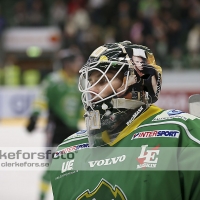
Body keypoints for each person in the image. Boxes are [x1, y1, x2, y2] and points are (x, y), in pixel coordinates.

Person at [50, 41, 200, 200]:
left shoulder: (180, 131)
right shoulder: (68, 149)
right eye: (91, 81)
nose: (91, 90)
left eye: (102, 80)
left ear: (140, 81)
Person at [26, 47, 84, 200]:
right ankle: (41, 197)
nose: (78, 64)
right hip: (56, 129)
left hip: (73, 131)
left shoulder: (78, 84)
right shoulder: (53, 80)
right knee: (53, 167)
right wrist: (34, 116)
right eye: (75, 61)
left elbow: (82, 108)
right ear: (66, 63)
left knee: (75, 167)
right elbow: (42, 99)